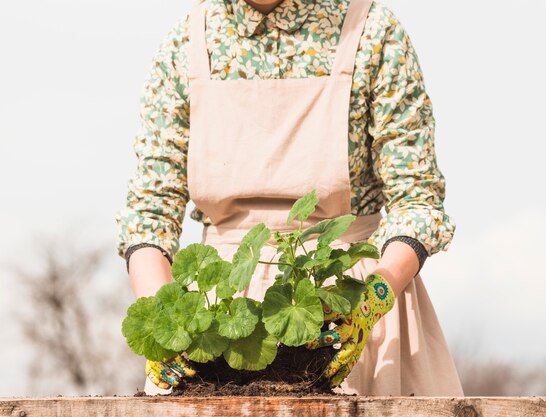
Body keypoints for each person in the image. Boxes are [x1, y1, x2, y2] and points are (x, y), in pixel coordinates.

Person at [114, 0, 465, 397]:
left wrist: (371, 304)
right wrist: (166, 323)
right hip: (220, 317)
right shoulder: (185, 42)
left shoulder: (372, 31)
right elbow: (150, 209)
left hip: (348, 310)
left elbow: (416, 200)